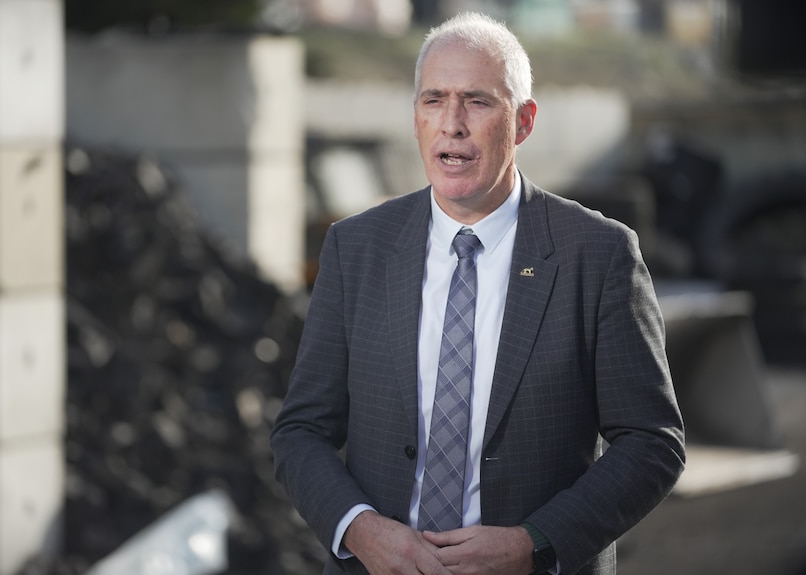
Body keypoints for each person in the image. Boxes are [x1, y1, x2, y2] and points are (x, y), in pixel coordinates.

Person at [270, 11, 685, 575]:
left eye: (478, 101)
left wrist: (534, 542)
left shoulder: (599, 254)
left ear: (523, 122)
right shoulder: (355, 248)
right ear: (415, 117)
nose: (453, 123)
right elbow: (301, 432)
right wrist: (360, 531)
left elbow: (651, 442)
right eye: (433, 100)